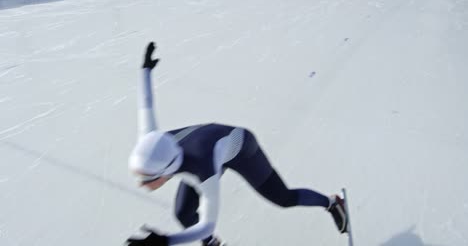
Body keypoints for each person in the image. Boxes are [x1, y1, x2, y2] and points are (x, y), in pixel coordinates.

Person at [126, 42, 348, 246]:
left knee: (283, 198)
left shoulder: (204, 171)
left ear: (165, 171)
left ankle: (331, 202)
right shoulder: (150, 140)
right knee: (183, 213)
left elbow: (207, 225)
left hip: (242, 148)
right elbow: (145, 104)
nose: (141, 184)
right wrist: (145, 69)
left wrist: (166, 242)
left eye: (147, 179)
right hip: (209, 146)